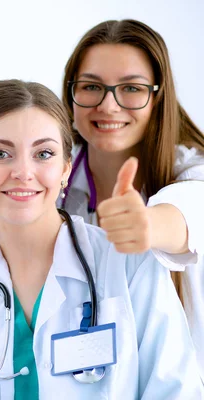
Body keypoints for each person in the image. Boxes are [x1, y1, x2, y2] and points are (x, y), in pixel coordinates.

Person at [0, 80, 203, 399]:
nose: (23, 172)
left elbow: (174, 387)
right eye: (1, 154)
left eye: (43, 154)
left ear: (65, 170)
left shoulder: (128, 265)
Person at [60, 19, 204, 379]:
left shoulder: (191, 170)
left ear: (158, 97)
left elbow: (190, 212)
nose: (109, 105)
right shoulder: (49, 179)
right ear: (71, 93)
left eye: (131, 88)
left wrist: (148, 224)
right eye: (92, 86)